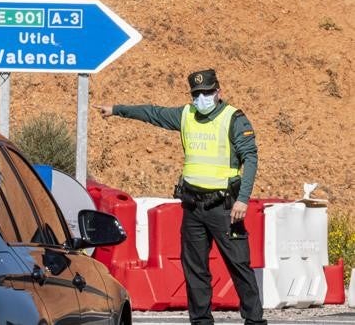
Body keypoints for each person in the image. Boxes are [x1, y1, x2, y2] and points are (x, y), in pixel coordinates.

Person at [94, 69, 266, 325]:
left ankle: (254, 321)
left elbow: (250, 157)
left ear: (219, 92)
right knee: (195, 270)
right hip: (193, 207)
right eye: (197, 94)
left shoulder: (234, 118)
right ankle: (201, 321)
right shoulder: (187, 115)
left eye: (207, 92)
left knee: (239, 266)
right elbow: (153, 113)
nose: (202, 98)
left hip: (226, 208)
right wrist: (117, 109)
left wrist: (243, 199)